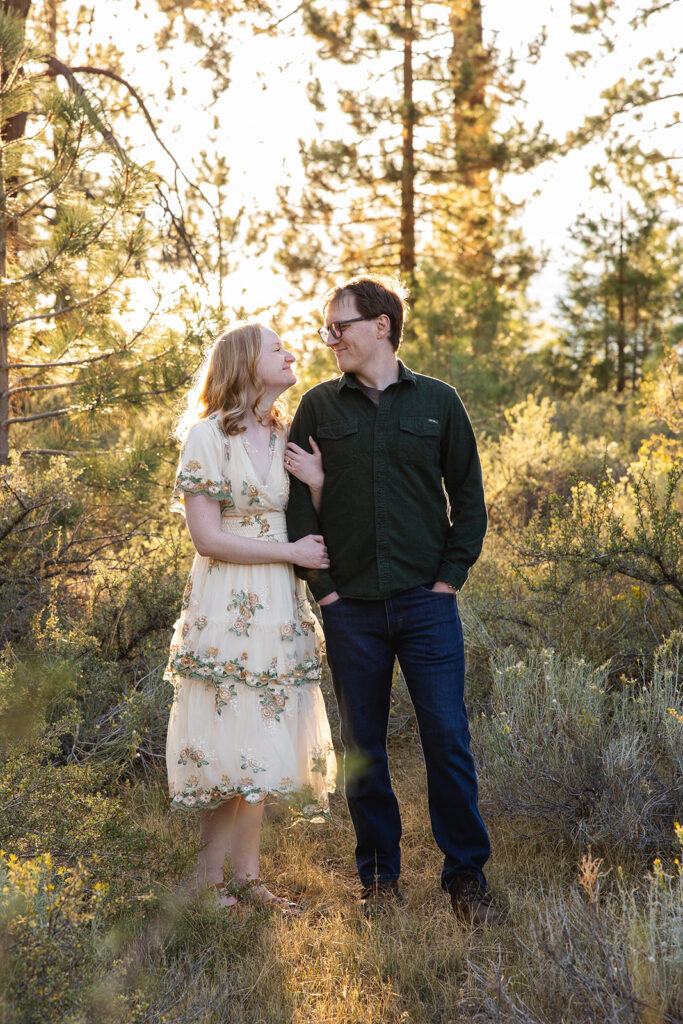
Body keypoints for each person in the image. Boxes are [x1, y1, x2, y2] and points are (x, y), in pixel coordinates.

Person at [285, 275, 499, 924]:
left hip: (426, 606)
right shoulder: (319, 408)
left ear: (380, 326)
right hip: (349, 612)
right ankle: (378, 880)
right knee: (363, 749)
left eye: (339, 327)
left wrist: (449, 578)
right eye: (327, 329)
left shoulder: (439, 402)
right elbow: (296, 507)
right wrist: (322, 592)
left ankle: (465, 880)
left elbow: (467, 498)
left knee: (446, 738)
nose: (331, 340)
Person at [165, 321, 336, 914]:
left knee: (261, 737)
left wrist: (315, 484)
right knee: (226, 737)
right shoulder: (207, 435)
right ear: (244, 361)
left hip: (279, 606)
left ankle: (249, 880)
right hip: (229, 600)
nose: (292, 354)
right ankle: (209, 886)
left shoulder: (287, 431)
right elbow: (208, 538)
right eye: (277, 347)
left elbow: (316, 521)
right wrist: (289, 553)